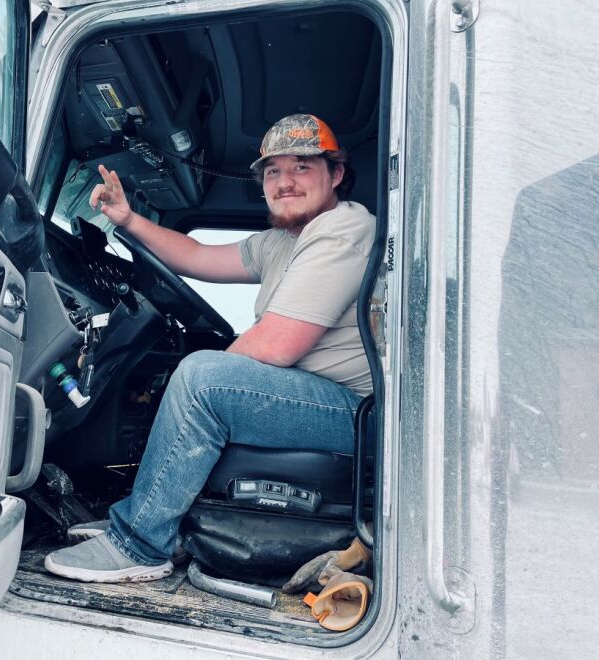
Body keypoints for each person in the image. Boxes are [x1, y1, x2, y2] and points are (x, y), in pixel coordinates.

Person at [44, 114, 376, 583]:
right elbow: (197, 257)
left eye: (302, 167)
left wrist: (199, 382)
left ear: (335, 174)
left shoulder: (343, 230)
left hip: (354, 415)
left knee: (202, 381)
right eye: (273, 171)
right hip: (315, 397)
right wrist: (129, 220)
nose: (285, 182)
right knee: (202, 376)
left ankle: (139, 544)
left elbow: (277, 345)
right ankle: (152, 517)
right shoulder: (281, 240)